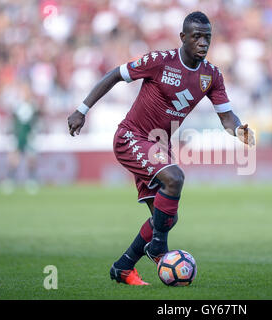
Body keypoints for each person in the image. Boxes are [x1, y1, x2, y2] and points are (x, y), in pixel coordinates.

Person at [67, 11, 255, 285]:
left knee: (165, 217)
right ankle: (157, 249)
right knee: (175, 177)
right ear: (183, 38)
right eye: (197, 37)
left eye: (207, 37)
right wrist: (81, 110)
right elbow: (114, 75)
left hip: (158, 145)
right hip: (131, 136)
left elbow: (227, 117)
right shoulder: (159, 61)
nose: (203, 43)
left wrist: (239, 130)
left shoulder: (211, 75)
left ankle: (123, 267)